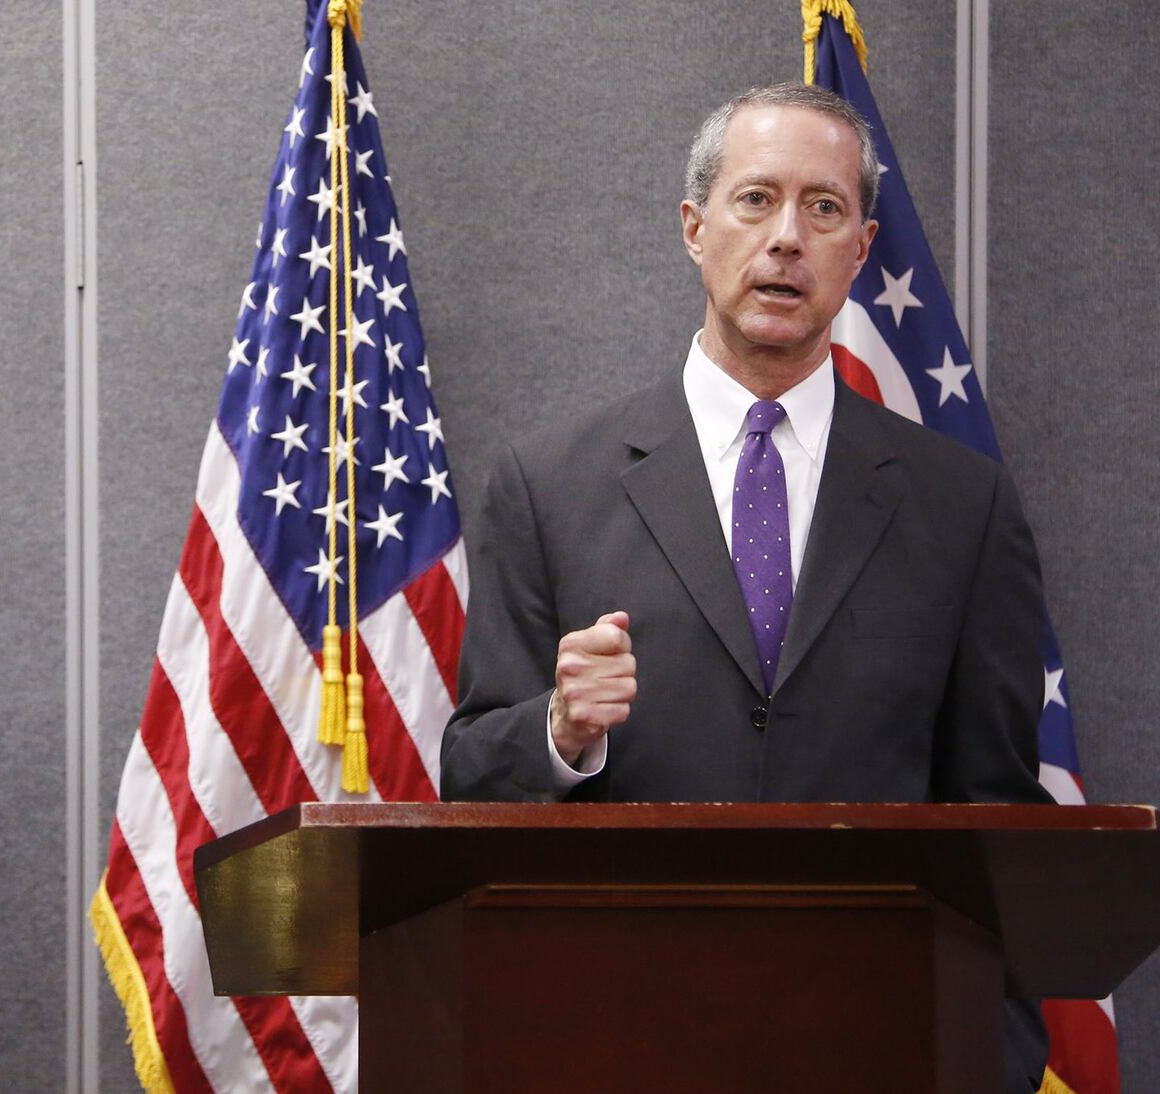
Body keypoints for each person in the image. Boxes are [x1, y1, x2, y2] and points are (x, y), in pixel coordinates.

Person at [441, 82, 1050, 1090]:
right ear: (693, 227)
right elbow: (469, 771)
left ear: (859, 250)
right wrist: (559, 730)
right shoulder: (548, 484)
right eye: (754, 199)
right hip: (606, 1043)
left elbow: (997, 818)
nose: (785, 239)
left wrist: (995, 1055)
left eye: (823, 208)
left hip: (882, 1042)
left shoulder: (961, 505)